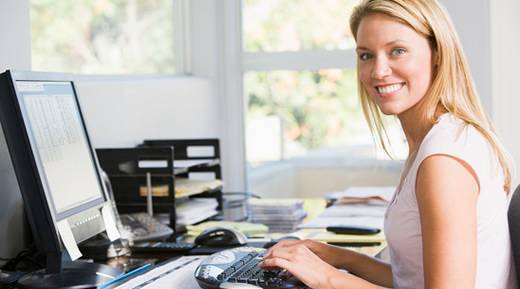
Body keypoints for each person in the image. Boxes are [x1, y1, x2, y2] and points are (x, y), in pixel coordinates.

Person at [260, 0, 517, 288]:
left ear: (437, 54)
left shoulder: (443, 161)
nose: (379, 71)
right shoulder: (441, 138)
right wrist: (340, 258)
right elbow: (414, 279)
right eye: (366, 55)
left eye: (397, 51)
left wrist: (327, 278)